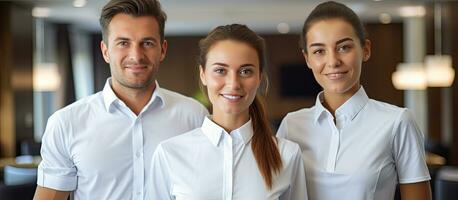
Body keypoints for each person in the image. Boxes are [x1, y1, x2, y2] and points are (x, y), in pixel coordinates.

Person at [33, 0, 208, 199]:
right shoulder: (65, 123)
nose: (136, 55)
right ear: (105, 50)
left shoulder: (196, 117)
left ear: (162, 50)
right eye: (123, 43)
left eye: (147, 43)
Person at [277, 1, 431, 200]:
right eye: (319, 51)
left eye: (343, 47)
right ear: (307, 59)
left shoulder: (397, 122)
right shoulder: (291, 125)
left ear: (365, 49)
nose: (332, 61)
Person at [148, 24, 308, 200]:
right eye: (220, 71)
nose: (233, 84)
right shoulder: (170, 153)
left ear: (259, 77)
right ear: (203, 74)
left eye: (245, 71)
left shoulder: (287, 154)